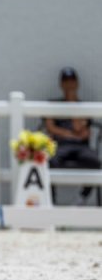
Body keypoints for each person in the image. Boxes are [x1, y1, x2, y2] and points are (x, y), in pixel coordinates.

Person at [45, 67, 101, 205]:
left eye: (72, 81)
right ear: (60, 84)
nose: (69, 84)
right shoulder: (53, 104)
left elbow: (82, 131)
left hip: (80, 147)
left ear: (77, 83)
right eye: (66, 81)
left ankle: (82, 199)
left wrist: (72, 102)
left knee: (95, 162)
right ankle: (51, 202)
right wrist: (70, 134)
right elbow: (50, 127)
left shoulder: (84, 106)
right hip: (60, 145)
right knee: (49, 161)